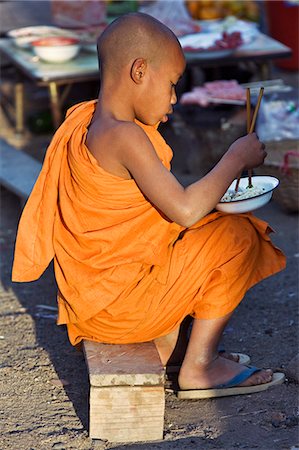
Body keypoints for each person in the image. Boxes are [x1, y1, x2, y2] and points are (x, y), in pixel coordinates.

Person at [12, 12, 286, 397]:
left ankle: (165, 346)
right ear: (139, 71)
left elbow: (162, 210)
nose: (174, 98)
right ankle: (200, 366)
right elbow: (186, 210)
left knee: (211, 229)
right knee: (239, 234)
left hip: (101, 303)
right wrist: (236, 159)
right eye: (172, 84)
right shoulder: (126, 137)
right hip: (121, 309)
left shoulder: (87, 120)